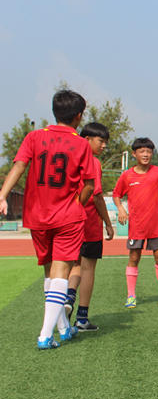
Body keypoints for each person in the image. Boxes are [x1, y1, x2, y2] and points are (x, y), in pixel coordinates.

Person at [0, 89, 94, 349]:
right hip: (67, 217)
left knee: (49, 271)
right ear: (78, 116)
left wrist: (3, 195)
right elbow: (89, 184)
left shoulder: (34, 137)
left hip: (37, 215)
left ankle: (64, 328)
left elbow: (19, 165)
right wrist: (77, 204)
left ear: (54, 112)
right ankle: (45, 334)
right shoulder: (81, 144)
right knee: (61, 271)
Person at [112, 137, 158, 308]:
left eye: (149, 151)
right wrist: (121, 209)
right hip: (136, 226)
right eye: (142, 151)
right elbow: (116, 194)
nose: (146, 154)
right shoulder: (127, 175)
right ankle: (131, 296)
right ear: (134, 154)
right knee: (134, 258)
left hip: (155, 226)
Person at [65, 122, 115, 331]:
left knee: (72, 265)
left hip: (68, 221)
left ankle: (68, 298)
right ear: (87, 140)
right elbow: (96, 195)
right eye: (101, 141)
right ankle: (82, 317)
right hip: (89, 222)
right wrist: (108, 223)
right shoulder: (92, 162)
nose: (104, 146)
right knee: (88, 269)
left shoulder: (68, 158)